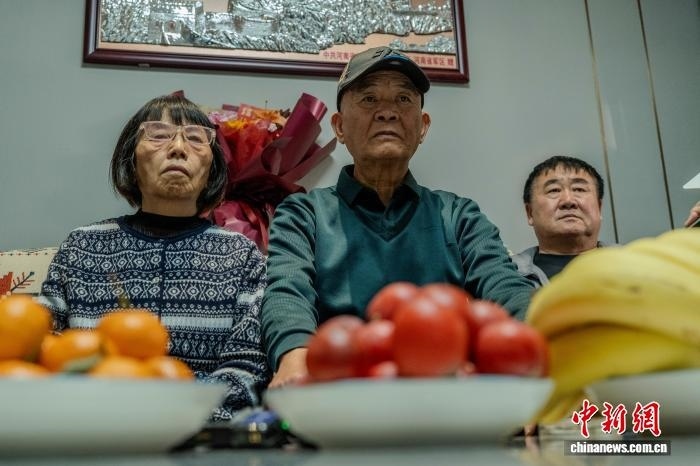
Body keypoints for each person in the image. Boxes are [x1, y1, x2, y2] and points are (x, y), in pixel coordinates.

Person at [261, 47, 536, 387]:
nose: (388, 112)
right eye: (369, 99)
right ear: (340, 127)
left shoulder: (459, 215)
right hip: (337, 390)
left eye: (404, 99)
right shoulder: (303, 214)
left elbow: (504, 285)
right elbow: (287, 289)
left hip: (446, 390)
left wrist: (534, 346)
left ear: (423, 127)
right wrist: (295, 354)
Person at [40, 94, 270, 421]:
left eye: (195, 138)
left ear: (212, 168)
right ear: (131, 161)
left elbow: (247, 369)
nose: (178, 148)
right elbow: (42, 346)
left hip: (201, 433)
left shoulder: (241, 256)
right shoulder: (82, 246)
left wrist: (175, 411)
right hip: (92, 426)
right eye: (159, 135)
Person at [511, 155, 605, 287]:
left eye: (579, 189)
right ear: (530, 213)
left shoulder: (633, 262)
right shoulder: (506, 277)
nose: (568, 201)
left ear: (599, 208)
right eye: (554, 190)